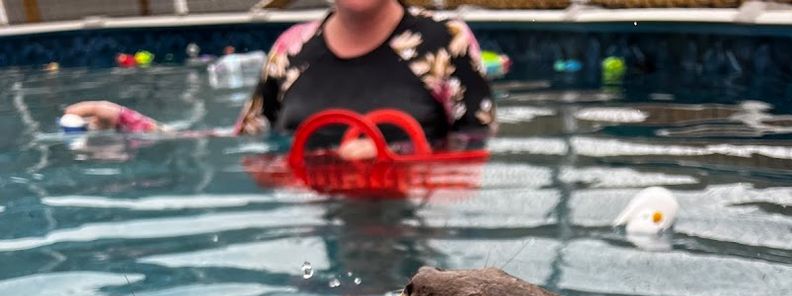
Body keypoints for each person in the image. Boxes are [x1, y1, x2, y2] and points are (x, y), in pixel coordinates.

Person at [63, 0, 495, 152]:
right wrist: (122, 123)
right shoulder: (291, 49)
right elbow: (242, 144)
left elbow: (479, 155)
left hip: (413, 233)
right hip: (313, 231)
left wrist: (395, 167)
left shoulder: (446, 42)